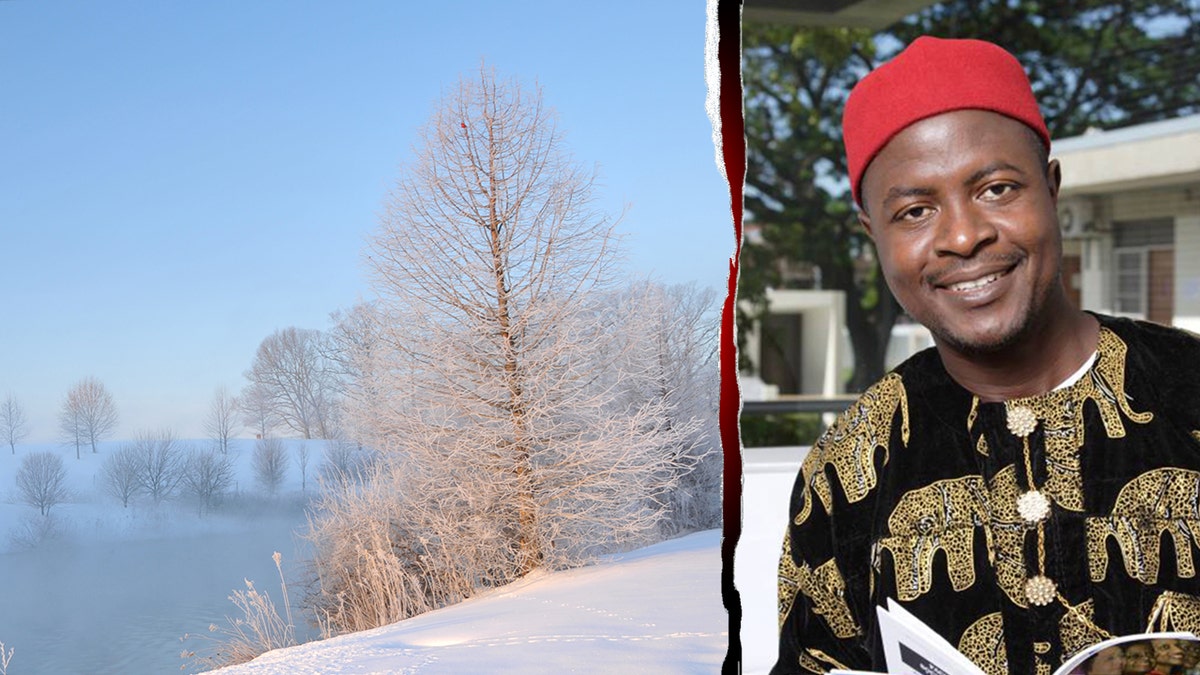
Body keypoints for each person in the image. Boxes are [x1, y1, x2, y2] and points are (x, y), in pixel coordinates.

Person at [772, 36, 1200, 675]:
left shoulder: (1188, 390)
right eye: (915, 211)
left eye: (997, 189)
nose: (964, 236)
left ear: (1051, 190)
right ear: (874, 237)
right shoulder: (847, 470)